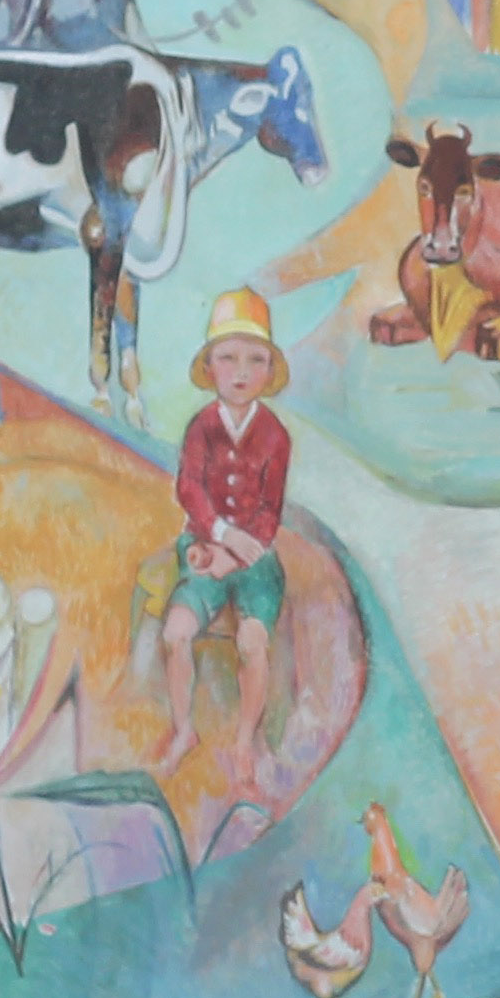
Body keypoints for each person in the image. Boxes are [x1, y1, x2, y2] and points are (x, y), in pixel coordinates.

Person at [148, 287, 293, 755]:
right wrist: (219, 537)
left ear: (269, 371)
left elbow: (270, 511)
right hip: (207, 547)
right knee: (176, 632)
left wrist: (238, 552)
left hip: (255, 560)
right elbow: (189, 488)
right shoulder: (201, 428)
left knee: (252, 642)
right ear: (209, 367)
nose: (241, 372)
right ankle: (183, 730)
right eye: (228, 358)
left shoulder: (276, 436)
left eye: (255, 360)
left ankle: (244, 740)